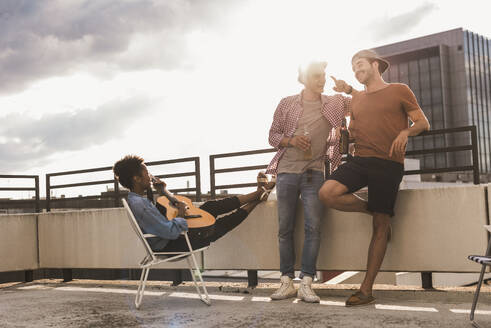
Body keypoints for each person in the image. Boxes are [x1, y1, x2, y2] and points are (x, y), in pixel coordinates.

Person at [318, 49, 430, 306]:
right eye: (353, 67)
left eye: (360, 65)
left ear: (376, 64)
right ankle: (375, 209)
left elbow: (423, 123)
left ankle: (366, 290)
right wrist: (349, 133)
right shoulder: (356, 99)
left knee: (380, 226)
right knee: (327, 193)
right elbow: (357, 126)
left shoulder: (400, 90)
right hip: (360, 161)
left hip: (388, 164)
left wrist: (405, 132)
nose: (356, 70)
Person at [266, 61, 351, 303]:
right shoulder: (287, 103)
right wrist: (291, 141)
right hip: (286, 172)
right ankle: (286, 282)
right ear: (303, 78)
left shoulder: (333, 102)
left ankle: (306, 283)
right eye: (316, 76)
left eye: (323, 75)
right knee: (285, 229)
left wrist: (347, 89)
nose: (322, 79)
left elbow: (364, 103)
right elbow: (272, 136)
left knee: (313, 228)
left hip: (315, 172)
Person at [113, 155, 275, 252]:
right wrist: (182, 214)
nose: (150, 176)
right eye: (146, 173)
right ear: (136, 178)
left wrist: (163, 191)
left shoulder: (138, 198)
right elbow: (169, 232)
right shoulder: (140, 205)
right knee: (219, 225)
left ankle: (258, 194)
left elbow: (169, 210)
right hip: (171, 245)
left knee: (210, 208)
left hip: (171, 238)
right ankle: (259, 194)